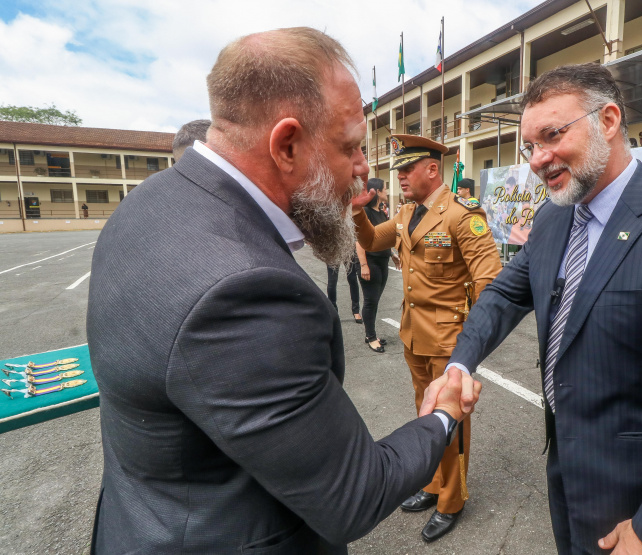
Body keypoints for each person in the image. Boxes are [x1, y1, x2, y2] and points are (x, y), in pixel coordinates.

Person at [86, 27, 480, 554]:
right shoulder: (244, 291)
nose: (366, 170)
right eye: (351, 147)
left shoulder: (151, 202)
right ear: (287, 144)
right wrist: (444, 414)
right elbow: (354, 496)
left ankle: (447, 496)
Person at [431, 62, 642, 555]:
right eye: (530, 146)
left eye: (552, 135)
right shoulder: (553, 218)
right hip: (566, 470)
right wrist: (460, 363)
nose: (539, 159)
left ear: (607, 121)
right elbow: (502, 294)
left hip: (638, 501)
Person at [351, 133, 502, 542]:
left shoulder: (462, 213)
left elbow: (490, 281)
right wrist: (358, 213)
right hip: (415, 336)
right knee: (425, 416)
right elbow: (370, 241)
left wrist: (472, 347)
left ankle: (451, 500)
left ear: (432, 169)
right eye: (398, 170)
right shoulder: (406, 214)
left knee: (449, 422)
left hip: (451, 340)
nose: (399, 176)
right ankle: (434, 484)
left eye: (406, 169)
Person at [357, 178, 393, 353]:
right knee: (370, 302)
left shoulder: (381, 212)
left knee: (375, 301)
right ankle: (371, 337)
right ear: (377, 192)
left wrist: (393, 254)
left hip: (382, 261)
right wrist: (363, 264)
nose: (387, 192)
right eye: (385, 189)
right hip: (370, 263)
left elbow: (383, 237)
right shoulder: (364, 212)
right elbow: (359, 240)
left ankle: (370, 334)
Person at [326, 251, 362, 322]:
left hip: (348, 247)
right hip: (332, 248)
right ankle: (333, 311)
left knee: (352, 279)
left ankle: (356, 310)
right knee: (332, 281)